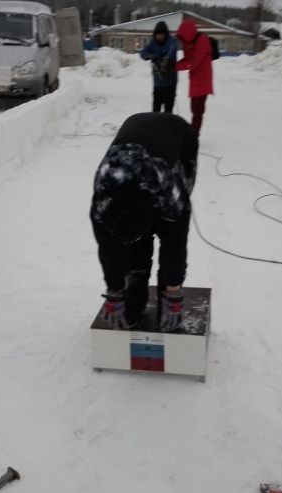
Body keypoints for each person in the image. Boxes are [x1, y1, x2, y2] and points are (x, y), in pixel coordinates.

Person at [90, 113, 199, 332]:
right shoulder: (102, 202)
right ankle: (136, 289)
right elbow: (108, 249)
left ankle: (164, 293)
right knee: (135, 249)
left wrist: (173, 291)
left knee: (169, 228)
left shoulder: (170, 191)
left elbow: (176, 244)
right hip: (135, 141)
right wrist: (115, 291)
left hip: (179, 137)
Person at [175, 20, 214, 136]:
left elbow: (194, 62)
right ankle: (192, 131)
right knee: (193, 108)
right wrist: (173, 64)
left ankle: (194, 134)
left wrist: (174, 67)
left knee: (198, 110)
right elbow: (187, 60)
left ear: (188, 33)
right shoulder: (188, 43)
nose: (182, 40)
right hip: (194, 79)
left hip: (204, 79)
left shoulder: (202, 40)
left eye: (183, 36)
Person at [139, 21, 178, 114]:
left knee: (168, 111)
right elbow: (143, 53)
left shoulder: (171, 41)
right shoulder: (153, 43)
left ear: (166, 34)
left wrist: (167, 59)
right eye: (158, 34)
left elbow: (172, 51)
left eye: (162, 34)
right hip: (158, 83)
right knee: (156, 110)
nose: (160, 36)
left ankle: (167, 127)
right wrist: (151, 56)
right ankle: (155, 127)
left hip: (170, 83)